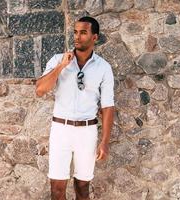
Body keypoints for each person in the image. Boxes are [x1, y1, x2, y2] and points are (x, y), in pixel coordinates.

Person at [36, 16, 114, 200]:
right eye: (75, 32)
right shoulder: (58, 60)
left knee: (82, 187)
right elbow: (40, 90)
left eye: (83, 33)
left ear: (94, 37)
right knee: (56, 188)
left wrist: (104, 141)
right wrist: (62, 66)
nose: (77, 37)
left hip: (87, 131)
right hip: (60, 129)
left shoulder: (103, 67)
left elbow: (108, 106)